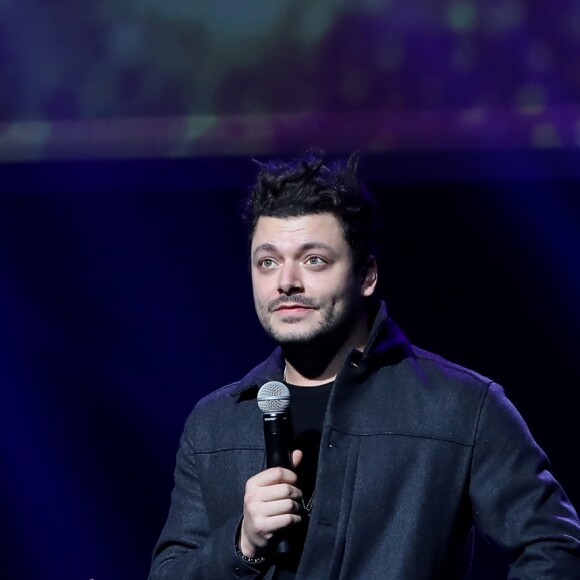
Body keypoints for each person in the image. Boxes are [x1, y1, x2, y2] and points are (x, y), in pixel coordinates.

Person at [149, 153, 580, 579]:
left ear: (367, 275)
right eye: (268, 262)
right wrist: (242, 544)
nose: (286, 281)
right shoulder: (214, 424)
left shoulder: (463, 407)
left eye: (314, 259)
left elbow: (554, 548)